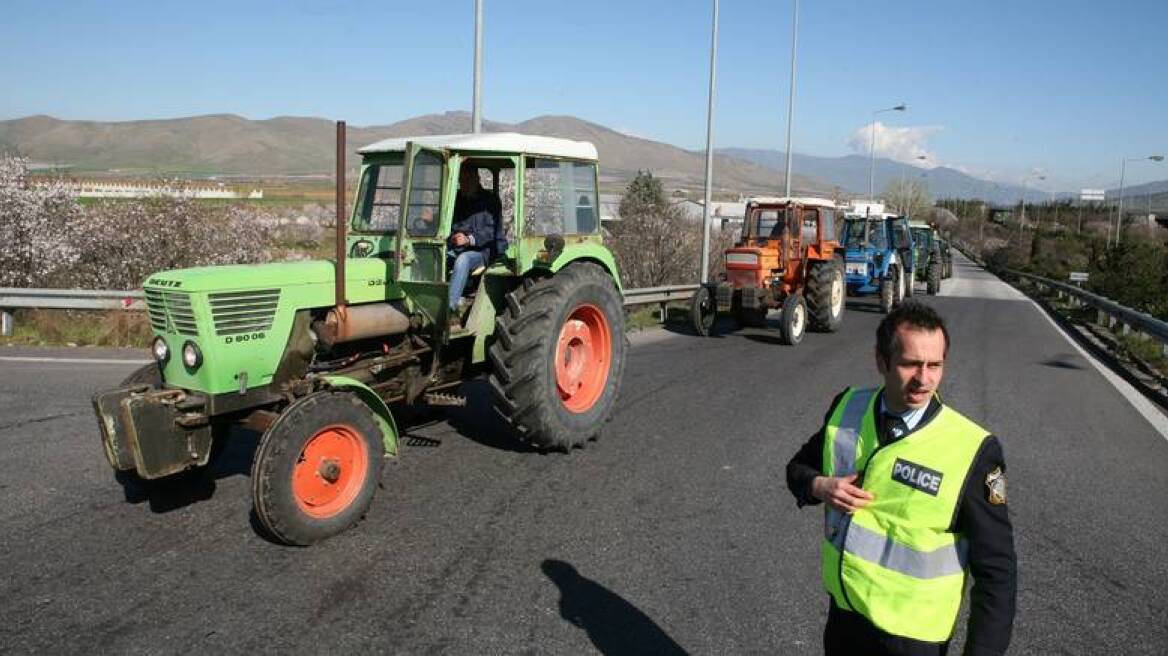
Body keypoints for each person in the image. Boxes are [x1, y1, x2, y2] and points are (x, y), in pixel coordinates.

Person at [786, 301, 1016, 656]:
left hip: (911, 640)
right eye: (910, 364)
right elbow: (798, 469)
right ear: (881, 361)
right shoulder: (848, 408)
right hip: (845, 620)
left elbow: (997, 571)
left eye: (935, 365)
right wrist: (819, 486)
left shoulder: (973, 450)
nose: (924, 379)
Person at [447, 165, 504, 316]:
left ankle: (449, 308)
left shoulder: (490, 200)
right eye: (461, 180)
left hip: (484, 250)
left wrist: (469, 239)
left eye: (467, 179)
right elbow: (451, 224)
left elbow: (491, 231)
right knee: (435, 258)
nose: (463, 184)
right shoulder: (458, 199)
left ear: (476, 179)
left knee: (463, 260)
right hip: (458, 247)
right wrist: (453, 235)